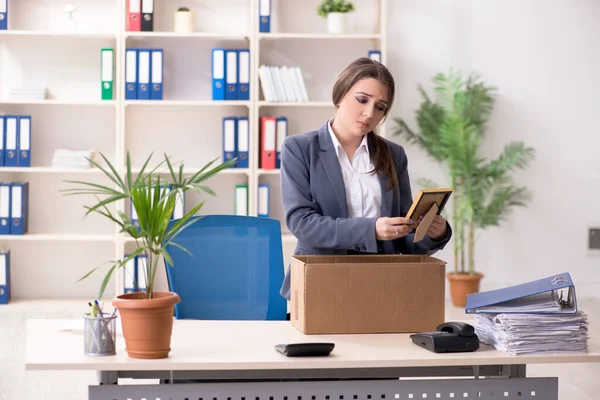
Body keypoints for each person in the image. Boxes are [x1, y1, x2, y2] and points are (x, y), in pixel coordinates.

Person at [279, 57, 452, 301]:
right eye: (362, 99)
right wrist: (372, 230)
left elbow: (404, 236)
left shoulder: (393, 154)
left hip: (381, 283)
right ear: (340, 96)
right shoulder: (299, 148)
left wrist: (434, 232)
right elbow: (302, 223)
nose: (369, 113)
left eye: (380, 107)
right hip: (320, 281)